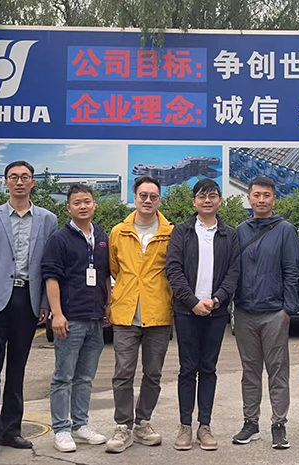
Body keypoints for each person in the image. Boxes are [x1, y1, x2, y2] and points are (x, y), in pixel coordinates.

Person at [0, 161, 58, 461]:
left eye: (25, 177)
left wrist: (45, 302)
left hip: (27, 299)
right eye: (14, 177)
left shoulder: (47, 219)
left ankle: (11, 430)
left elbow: (49, 266)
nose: (19, 182)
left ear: (33, 182)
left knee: (17, 369)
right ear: (6, 182)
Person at [165, 179, 241, 451]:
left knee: (208, 368)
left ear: (219, 200)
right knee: (188, 369)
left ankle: (204, 426)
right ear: (194, 201)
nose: (207, 200)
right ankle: (185, 426)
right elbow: (173, 269)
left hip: (216, 312)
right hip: (186, 312)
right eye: (201, 196)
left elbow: (234, 271)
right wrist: (192, 301)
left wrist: (217, 299)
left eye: (212, 196)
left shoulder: (229, 234)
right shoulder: (181, 231)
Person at [105, 176, 174, 454]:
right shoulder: (119, 232)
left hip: (158, 312)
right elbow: (114, 268)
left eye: (153, 196)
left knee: (153, 373)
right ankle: (123, 425)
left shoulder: (170, 233)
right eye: (143, 195)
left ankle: (143, 422)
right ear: (134, 198)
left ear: (159, 200)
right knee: (123, 372)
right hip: (126, 313)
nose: (148, 200)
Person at [231, 176, 299, 450]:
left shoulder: (285, 230)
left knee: (277, 371)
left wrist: (288, 310)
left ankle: (279, 424)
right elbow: (233, 271)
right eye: (256, 195)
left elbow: (292, 271)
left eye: (266, 195)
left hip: (274, 312)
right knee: (250, 371)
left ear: (274, 199)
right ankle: (251, 423)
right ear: (249, 198)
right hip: (245, 312)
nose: (261, 200)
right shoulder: (240, 231)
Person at [41, 184, 110, 453]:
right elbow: (52, 278)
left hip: (95, 318)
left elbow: (105, 274)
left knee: (85, 378)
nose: (83, 206)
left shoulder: (102, 236)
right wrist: (57, 314)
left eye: (87, 201)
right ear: (68, 207)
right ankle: (61, 428)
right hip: (70, 319)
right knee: (63, 377)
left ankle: (81, 424)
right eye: (77, 202)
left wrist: (108, 305)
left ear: (94, 204)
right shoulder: (59, 239)